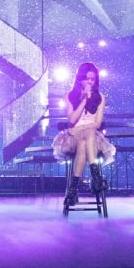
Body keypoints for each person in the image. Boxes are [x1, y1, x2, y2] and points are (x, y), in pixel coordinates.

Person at [53, 62, 115, 208]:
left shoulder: (100, 97)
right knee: (84, 138)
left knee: (85, 140)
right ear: (80, 79)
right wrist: (84, 100)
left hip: (91, 138)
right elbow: (72, 120)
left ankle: (72, 191)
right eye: (87, 78)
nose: (90, 82)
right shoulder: (69, 96)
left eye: (93, 79)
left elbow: (97, 124)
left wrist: (82, 128)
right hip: (72, 138)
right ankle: (97, 179)